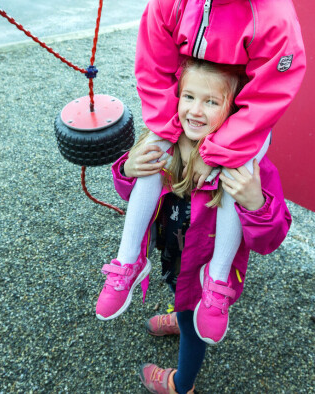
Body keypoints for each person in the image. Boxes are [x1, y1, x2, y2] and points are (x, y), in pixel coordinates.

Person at [95, 0, 305, 347]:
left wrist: (222, 150)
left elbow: (271, 91)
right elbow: (152, 65)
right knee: (150, 162)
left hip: (237, 125)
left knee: (236, 182)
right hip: (183, 111)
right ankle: (128, 259)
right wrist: (167, 129)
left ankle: (216, 283)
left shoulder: (272, 14)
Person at [109, 58, 292, 394]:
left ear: (234, 111)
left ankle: (182, 384)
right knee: (179, 294)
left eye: (211, 102)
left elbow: (269, 240)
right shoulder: (165, 142)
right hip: (172, 254)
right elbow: (132, 197)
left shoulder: (250, 171)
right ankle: (181, 313)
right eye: (188, 97)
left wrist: (256, 203)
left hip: (207, 277)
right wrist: (127, 169)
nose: (195, 111)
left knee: (196, 326)